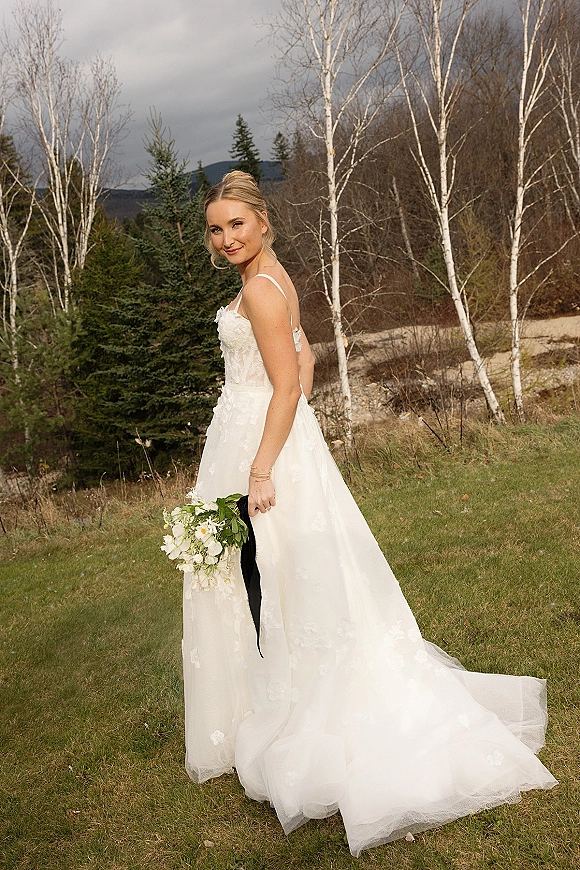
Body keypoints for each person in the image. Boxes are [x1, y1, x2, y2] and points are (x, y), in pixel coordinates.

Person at [182, 170, 557, 857]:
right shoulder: (274, 279)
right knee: (287, 577)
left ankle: (287, 710)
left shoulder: (262, 292)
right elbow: (308, 359)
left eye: (237, 223)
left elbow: (290, 384)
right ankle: (267, 698)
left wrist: (261, 467)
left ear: (264, 222)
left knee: (268, 578)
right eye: (216, 227)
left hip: (261, 448)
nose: (227, 237)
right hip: (264, 435)